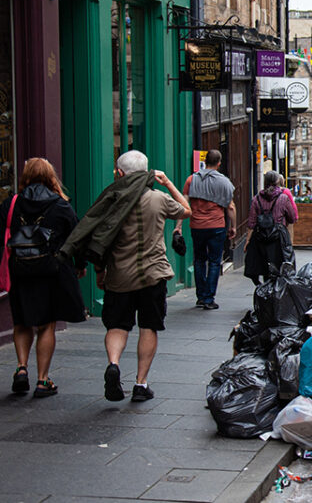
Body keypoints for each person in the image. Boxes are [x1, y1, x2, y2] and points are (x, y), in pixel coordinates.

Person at [63, 150, 190, 402]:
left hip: (119, 275)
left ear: (119, 173)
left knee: (117, 326)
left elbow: (99, 238)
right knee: (148, 326)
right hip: (153, 274)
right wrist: (167, 183)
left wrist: (100, 272)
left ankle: (114, 364)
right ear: (147, 173)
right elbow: (186, 211)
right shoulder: (159, 199)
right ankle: (141, 384)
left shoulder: (112, 201)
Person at [4, 159, 85, 398]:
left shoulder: (11, 204)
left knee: (21, 321)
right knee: (46, 324)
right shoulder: (60, 205)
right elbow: (75, 238)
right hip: (51, 271)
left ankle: (21, 368)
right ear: (51, 177)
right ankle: (42, 380)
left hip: (19, 270)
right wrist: (80, 265)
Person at [176, 150, 235, 310]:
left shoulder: (191, 179)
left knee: (199, 260)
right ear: (219, 163)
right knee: (215, 262)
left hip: (197, 226)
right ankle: (209, 298)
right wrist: (233, 227)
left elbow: (183, 205)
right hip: (216, 226)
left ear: (205, 161)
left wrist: (178, 226)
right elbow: (230, 206)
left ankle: (201, 296)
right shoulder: (224, 182)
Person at [244, 171, 299, 284]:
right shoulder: (283, 198)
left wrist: (248, 241)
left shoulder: (257, 199)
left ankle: (266, 291)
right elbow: (292, 218)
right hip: (278, 238)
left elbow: (251, 222)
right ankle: (276, 293)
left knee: (264, 267)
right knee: (279, 267)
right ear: (278, 182)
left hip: (260, 238)